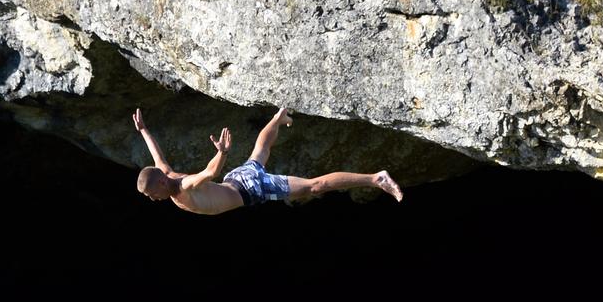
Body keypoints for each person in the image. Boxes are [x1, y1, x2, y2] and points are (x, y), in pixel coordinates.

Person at [132, 106, 403, 214]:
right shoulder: (165, 174)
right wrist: (144, 130)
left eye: (150, 193)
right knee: (258, 154)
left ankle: (376, 178)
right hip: (237, 180)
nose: (151, 198)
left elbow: (208, 173)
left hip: (251, 189)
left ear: (161, 183)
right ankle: (278, 116)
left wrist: (222, 153)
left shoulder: (182, 187)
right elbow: (158, 156)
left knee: (314, 187)